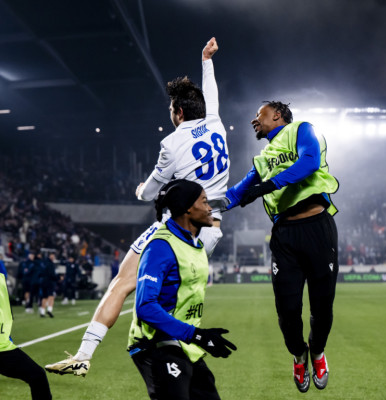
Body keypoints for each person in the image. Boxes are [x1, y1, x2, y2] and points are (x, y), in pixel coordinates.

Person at [45, 37, 230, 377]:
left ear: (179, 112)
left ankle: (84, 354)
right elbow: (212, 93)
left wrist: (140, 190)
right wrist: (207, 61)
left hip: (179, 230)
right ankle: (181, 359)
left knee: (123, 283)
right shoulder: (216, 123)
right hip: (212, 230)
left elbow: (149, 193)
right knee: (171, 302)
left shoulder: (172, 143)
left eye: (171, 110)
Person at [224, 101, 339, 393]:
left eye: (259, 114)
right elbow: (236, 194)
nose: (254, 120)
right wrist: (197, 203)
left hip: (317, 228)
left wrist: (269, 185)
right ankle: (299, 355)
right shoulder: (263, 158)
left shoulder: (301, 129)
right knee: (287, 311)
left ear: (277, 114)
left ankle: (317, 351)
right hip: (284, 235)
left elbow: (310, 161)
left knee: (322, 306)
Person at [129, 179, 236, 399]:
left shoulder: (194, 245)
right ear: (188, 208)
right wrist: (196, 335)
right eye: (204, 202)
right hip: (155, 345)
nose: (209, 208)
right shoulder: (160, 247)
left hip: (184, 342)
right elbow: (145, 306)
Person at [0, 260, 52, 399]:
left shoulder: (1, 271)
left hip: (3, 346)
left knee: (37, 376)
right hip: (2, 348)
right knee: (37, 376)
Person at [39, 252, 58, 318]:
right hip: (50, 282)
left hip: (43, 282)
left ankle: (42, 312)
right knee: (51, 296)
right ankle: (49, 310)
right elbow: (52, 274)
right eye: (52, 256)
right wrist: (58, 278)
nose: (53, 257)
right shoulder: (51, 264)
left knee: (44, 297)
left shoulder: (43, 262)